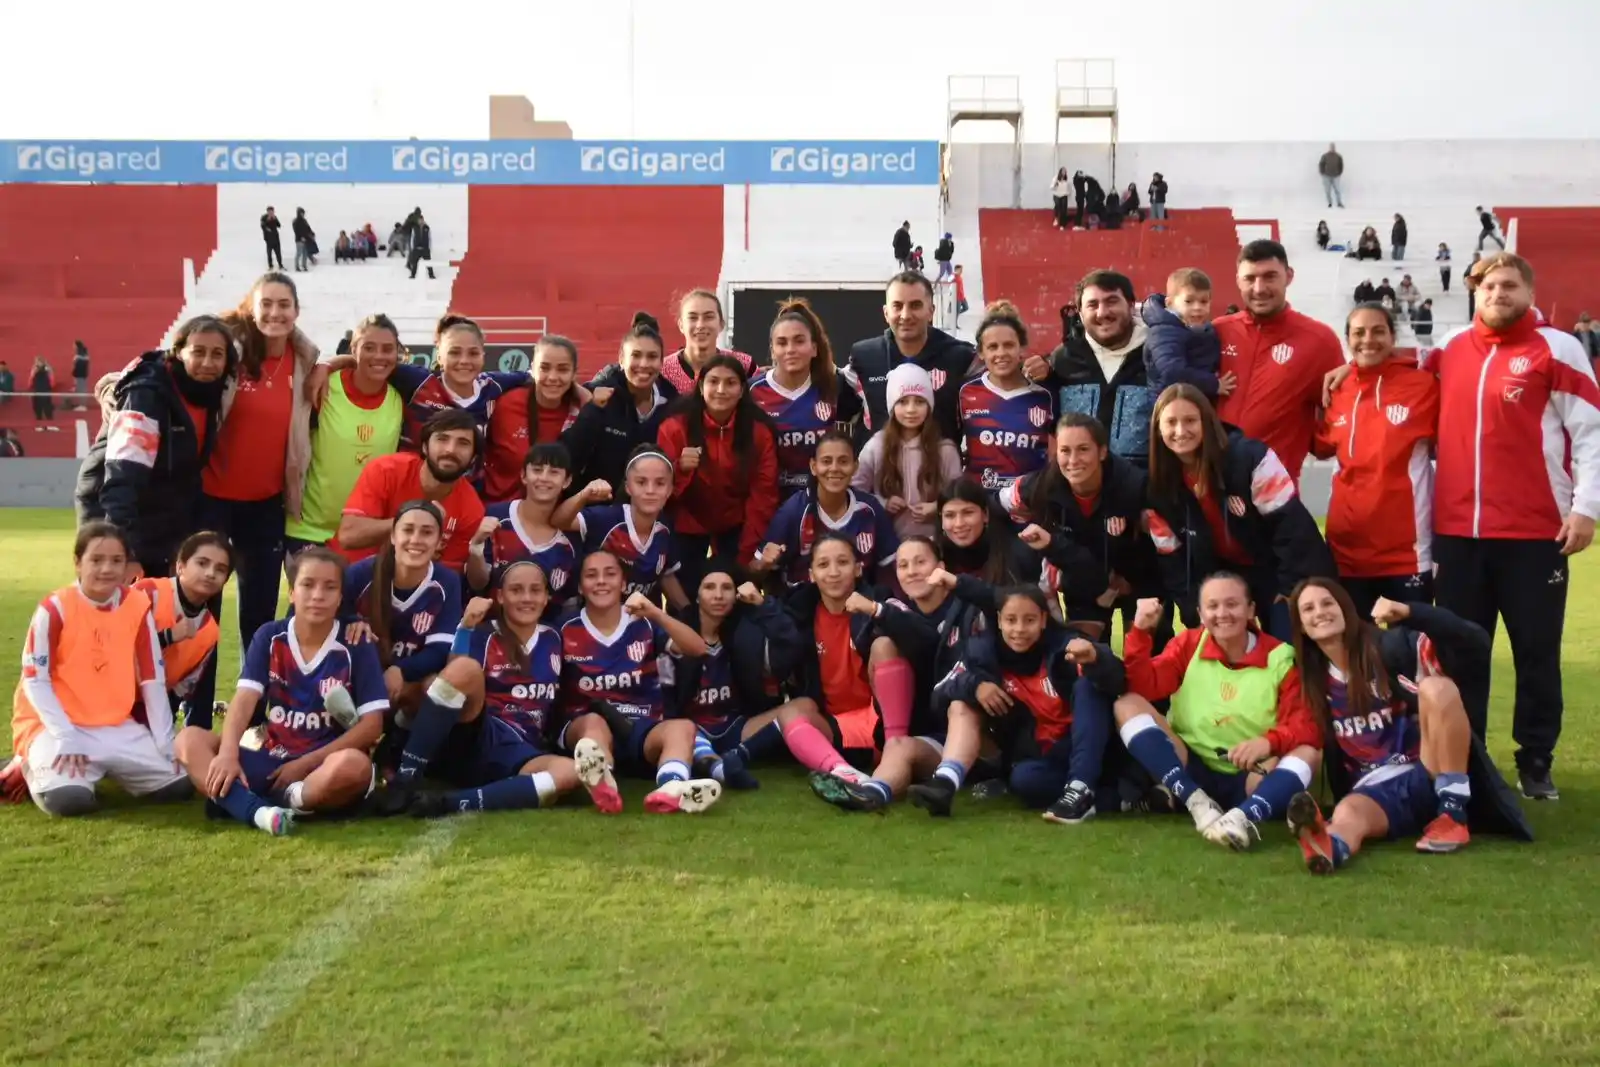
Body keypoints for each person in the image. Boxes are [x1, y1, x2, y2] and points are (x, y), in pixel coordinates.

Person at [1428, 252, 1600, 799]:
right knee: (1460, 653)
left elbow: (1592, 433)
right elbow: (1393, 377)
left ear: (1529, 291)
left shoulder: (1559, 348)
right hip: (1457, 534)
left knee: (1535, 650)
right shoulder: (1449, 348)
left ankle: (1535, 760)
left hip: (1534, 534)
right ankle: (1468, 758)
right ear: (1474, 294)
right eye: (1487, 287)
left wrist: (1586, 508)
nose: (1497, 294)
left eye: (1508, 285)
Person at [1285, 579, 1531, 873]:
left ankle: (1453, 812)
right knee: (1347, 814)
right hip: (1373, 789)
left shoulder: (1389, 647)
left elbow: (1475, 642)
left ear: (1345, 608)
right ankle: (1329, 848)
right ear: (1301, 626)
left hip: (1426, 770)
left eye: (1327, 603)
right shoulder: (1311, 680)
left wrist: (1412, 612)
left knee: (1437, 688)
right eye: (1308, 609)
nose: (1320, 612)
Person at [174, 547, 386, 835]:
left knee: (354, 766)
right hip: (271, 758)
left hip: (322, 766)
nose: (317, 595)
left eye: (329, 587)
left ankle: (273, 800)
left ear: (340, 598)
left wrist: (304, 764)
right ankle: (260, 813)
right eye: (308, 584)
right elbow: (245, 700)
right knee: (188, 740)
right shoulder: (270, 636)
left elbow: (372, 725)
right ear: (292, 593)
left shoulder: (356, 642)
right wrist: (227, 754)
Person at [373, 560, 609, 817]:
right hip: (478, 734)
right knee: (465, 670)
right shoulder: (483, 633)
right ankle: (406, 777)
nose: (526, 598)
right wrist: (466, 627)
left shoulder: (554, 637)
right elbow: (452, 677)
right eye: (516, 590)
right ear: (500, 596)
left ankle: (447, 803)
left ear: (546, 598)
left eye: (535, 590)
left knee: (571, 772)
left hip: (521, 748)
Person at [1112, 574, 1323, 851]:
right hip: (1190, 765)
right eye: (1212, 607)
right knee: (1125, 703)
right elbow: (1144, 685)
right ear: (1200, 614)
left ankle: (1242, 818)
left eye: (1232, 604)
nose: (1222, 614)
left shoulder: (1281, 657)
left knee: (1309, 752)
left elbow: (1305, 725)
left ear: (1250, 610)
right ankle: (1196, 803)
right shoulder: (1189, 644)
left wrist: (1267, 742)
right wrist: (1139, 632)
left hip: (1251, 774)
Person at [3, 522, 192, 817]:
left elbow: (152, 679)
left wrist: (164, 740)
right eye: (96, 560)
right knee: (68, 801)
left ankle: (98, 766)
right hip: (54, 725)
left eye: (116, 561)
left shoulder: (137, 605)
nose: (107, 569)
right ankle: (25, 763)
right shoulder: (55, 608)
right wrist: (65, 735)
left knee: (179, 785)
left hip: (113, 724)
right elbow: (36, 680)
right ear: (78, 563)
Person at [1145, 384, 1335, 638]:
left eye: (1190, 420)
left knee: (1287, 655)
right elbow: (1172, 558)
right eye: (1171, 422)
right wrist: (1193, 608)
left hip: (1283, 571)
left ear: (1208, 422)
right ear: (1158, 429)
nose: (1181, 431)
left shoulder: (1251, 458)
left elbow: (1291, 527)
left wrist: (1289, 590)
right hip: (1225, 581)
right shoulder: (1157, 488)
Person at [924, 583, 1122, 821]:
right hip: (1044, 755)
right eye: (1011, 620)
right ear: (999, 621)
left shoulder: (1064, 645)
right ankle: (1116, 798)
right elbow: (940, 692)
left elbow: (1118, 677)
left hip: (1085, 742)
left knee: (1087, 684)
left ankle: (1081, 786)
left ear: (1043, 620)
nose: (1019, 629)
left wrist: (1096, 657)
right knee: (1025, 781)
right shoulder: (983, 651)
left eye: (1029, 620)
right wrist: (976, 686)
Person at [199, 272, 320, 648]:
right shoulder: (225, 351)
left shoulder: (304, 361)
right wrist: (110, 386)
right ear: (251, 308)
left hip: (266, 506)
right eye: (266, 303)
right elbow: (170, 364)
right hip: (210, 501)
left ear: (296, 311)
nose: (275, 312)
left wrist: (331, 365)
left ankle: (252, 705)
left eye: (284, 305)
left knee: (260, 616)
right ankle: (197, 709)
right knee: (204, 612)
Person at [555, 551, 721, 814]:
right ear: (580, 586)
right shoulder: (564, 629)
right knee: (594, 724)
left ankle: (670, 788)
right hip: (588, 726)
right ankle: (603, 784)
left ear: (623, 584)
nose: (601, 581)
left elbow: (698, 648)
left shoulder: (643, 623)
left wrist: (656, 612)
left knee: (682, 728)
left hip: (640, 727)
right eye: (591, 575)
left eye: (610, 574)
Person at [75, 315, 236, 578]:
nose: (208, 362)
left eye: (217, 354)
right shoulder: (146, 396)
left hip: (161, 516)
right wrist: (124, 556)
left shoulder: (211, 391)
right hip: (113, 511)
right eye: (198, 352)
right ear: (178, 353)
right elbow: (122, 479)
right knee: (120, 609)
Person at [768, 535, 919, 806]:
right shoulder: (800, 612)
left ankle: (896, 755)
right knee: (791, 712)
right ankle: (845, 775)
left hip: (882, 723)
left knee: (884, 645)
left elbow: (922, 637)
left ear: (858, 568)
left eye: (843, 562)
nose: (834, 572)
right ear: (812, 575)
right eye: (824, 565)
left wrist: (877, 611)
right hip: (837, 728)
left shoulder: (878, 599)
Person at [1312, 305, 1439, 620]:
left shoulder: (1423, 386)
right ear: (1347, 339)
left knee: (1409, 656)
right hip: (1346, 552)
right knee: (1355, 658)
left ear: (1393, 336)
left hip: (1407, 555)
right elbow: (1321, 447)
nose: (1368, 340)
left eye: (1378, 331)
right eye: (1358, 333)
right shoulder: (1336, 390)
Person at [1001, 413, 1164, 642]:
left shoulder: (1135, 485)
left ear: (1103, 452)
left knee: (1143, 657)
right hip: (1085, 580)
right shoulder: (1043, 484)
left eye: (1083, 449)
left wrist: (1186, 602)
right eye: (1065, 451)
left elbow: (1170, 539)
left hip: (1137, 580)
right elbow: (995, 503)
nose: (1073, 460)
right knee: (1082, 657)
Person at [663, 562, 804, 788]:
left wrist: (762, 603)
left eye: (726, 588)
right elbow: (665, 695)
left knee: (803, 706)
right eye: (709, 587)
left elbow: (791, 644)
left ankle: (736, 757)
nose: (718, 595)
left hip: (735, 729)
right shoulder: (679, 638)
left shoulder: (743, 634)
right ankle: (719, 770)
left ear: (736, 594)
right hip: (690, 730)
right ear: (697, 595)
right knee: (684, 731)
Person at [1214, 240, 1346, 481]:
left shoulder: (1319, 340)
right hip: (1211, 486)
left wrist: (1315, 445)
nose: (1259, 288)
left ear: (1289, 276)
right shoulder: (1216, 333)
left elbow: (1342, 410)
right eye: (1250, 278)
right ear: (1238, 281)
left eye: (1270, 276)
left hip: (1274, 492)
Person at [656, 355, 780, 593]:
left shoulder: (759, 432)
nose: (721, 390)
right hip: (686, 523)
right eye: (713, 382)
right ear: (701, 387)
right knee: (687, 597)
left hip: (736, 523)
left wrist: (746, 554)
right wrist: (679, 468)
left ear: (743, 390)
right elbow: (659, 492)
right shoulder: (674, 427)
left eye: (730, 383)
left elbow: (764, 496)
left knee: (734, 595)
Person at [284, 314, 403, 554]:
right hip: (310, 530)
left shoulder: (401, 397)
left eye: (387, 349)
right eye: (369, 347)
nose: (379, 356)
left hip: (366, 533)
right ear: (354, 349)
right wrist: (328, 366)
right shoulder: (322, 387)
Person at [341, 501, 464, 715]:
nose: (415, 539)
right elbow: (319, 618)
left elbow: (440, 649)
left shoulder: (447, 582)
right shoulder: (361, 574)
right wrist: (351, 621)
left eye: (426, 532)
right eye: (407, 530)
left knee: (439, 685)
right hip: (358, 676)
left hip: (409, 681)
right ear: (392, 536)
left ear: (439, 542)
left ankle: (408, 742)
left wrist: (401, 670)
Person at [1023, 269, 1154, 468]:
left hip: (1142, 492)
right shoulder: (1062, 360)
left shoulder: (1158, 356)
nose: (1102, 313)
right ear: (1081, 313)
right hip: (1078, 491)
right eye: (1093, 305)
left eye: (1111, 301)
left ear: (1130, 305)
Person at [339, 408, 486, 572]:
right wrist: (415, 518)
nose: (450, 450)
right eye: (442, 439)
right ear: (424, 447)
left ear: (473, 458)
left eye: (463, 443)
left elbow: (445, 573)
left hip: (410, 587)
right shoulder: (386, 470)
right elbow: (348, 536)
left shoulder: (471, 509)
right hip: (353, 575)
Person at [845, 271, 978, 444]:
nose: (906, 315)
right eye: (897, 306)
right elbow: (828, 391)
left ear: (931, 311)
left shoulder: (962, 357)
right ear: (886, 313)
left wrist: (1025, 369)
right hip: (880, 469)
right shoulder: (863, 356)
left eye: (915, 305)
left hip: (939, 469)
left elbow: (1004, 377)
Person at [750, 299, 862, 501]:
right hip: (768, 504)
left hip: (821, 503)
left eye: (799, 341)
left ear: (814, 348)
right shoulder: (752, 392)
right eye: (782, 343)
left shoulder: (835, 388)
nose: (790, 349)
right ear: (772, 350)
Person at [758, 432, 899, 589]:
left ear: (855, 466)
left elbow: (890, 566)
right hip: (803, 606)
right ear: (813, 466)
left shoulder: (870, 508)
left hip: (858, 603)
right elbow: (757, 569)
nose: (834, 468)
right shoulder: (793, 511)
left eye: (843, 461)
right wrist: (764, 563)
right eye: (826, 461)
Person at [553, 445, 688, 608]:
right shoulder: (606, 518)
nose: (650, 490)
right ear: (628, 486)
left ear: (670, 490)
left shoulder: (665, 529)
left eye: (660, 483)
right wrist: (584, 495)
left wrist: (688, 614)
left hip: (636, 623)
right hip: (592, 617)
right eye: (641, 482)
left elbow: (666, 575)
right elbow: (557, 521)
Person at [134, 531, 234, 731]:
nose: (210, 573)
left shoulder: (209, 632)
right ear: (180, 566)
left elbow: (178, 691)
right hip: (102, 702)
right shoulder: (146, 592)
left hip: (148, 713)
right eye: (202, 563)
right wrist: (167, 637)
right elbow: (112, 648)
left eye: (220, 569)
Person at [560, 313, 671, 493]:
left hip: (647, 512)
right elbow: (568, 458)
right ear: (621, 358)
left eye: (652, 357)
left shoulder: (672, 403)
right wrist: (592, 410)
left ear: (661, 362)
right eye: (636, 355)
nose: (643, 364)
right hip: (596, 510)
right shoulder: (599, 397)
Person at [855, 364, 962, 540]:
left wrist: (937, 507)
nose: (911, 410)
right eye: (903, 402)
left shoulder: (945, 450)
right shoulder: (876, 446)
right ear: (892, 406)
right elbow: (855, 490)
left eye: (919, 402)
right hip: (887, 545)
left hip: (935, 543)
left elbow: (958, 495)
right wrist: (883, 502)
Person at [469, 442, 578, 613]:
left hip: (544, 633)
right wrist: (475, 548)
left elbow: (567, 602)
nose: (544, 477)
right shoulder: (496, 516)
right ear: (523, 475)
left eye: (554, 472)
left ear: (567, 481)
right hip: (491, 627)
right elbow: (478, 583)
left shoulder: (573, 535)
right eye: (537, 470)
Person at [957, 301, 1053, 491]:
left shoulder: (1044, 396)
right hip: (982, 504)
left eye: (1009, 345)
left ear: (1022, 348)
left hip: (1030, 502)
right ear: (981, 353)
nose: (1001, 353)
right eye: (992, 347)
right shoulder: (966, 393)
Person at [482, 336, 586, 504]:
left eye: (563, 369)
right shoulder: (506, 404)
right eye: (544, 368)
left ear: (574, 373)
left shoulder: (581, 411)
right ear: (532, 369)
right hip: (497, 511)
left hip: (551, 517)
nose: (552, 377)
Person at [1142, 268, 1228, 402]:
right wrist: (1214, 384)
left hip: (1191, 400)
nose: (1197, 307)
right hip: (1168, 404)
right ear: (1169, 304)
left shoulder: (1201, 330)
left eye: (1203, 301)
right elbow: (1172, 370)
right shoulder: (1164, 331)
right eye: (1189, 301)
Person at [1318, 143, 1344, 208]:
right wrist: (1322, 172)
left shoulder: (1338, 156)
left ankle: (1339, 203)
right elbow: (1321, 164)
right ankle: (1330, 203)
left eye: (1333, 147)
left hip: (1336, 176)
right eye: (1331, 147)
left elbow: (1341, 165)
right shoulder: (1325, 156)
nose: (1332, 148)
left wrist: (1339, 173)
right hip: (1326, 176)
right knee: (1327, 191)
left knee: (1337, 190)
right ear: (1329, 148)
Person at [407, 214, 432, 278]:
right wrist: (413, 247)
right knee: (414, 263)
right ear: (418, 221)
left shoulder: (427, 228)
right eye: (419, 220)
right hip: (416, 248)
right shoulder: (414, 228)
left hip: (425, 248)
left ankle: (431, 274)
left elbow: (430, 238)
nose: (420, 221)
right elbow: (412, 238)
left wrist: (429, 248)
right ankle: (413, 275)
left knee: (428, 262)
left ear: (423, 220)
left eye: (421, 220)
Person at [70, 341, 89, 409]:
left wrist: (74, 374)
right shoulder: (85, 355)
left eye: (74, 345)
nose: (73, 347)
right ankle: (82, 405)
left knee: (81, 390)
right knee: (81, 389)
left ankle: (82, 405)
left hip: (80, 375)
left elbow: (77, 367)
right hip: (83, 375)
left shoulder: (78, 356)